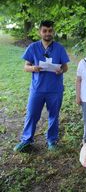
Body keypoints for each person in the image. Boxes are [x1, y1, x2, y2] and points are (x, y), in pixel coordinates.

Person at [13, 20, 70, 152]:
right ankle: (26, 140)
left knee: (54, 115)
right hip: (37, 89)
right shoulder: (33, 47)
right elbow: (25, 67)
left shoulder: (59, 48)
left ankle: (52, 140)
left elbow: (65, 67)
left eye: (50, 31)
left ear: (53, 32)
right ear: (40, 32)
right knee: (32, 114)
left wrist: (61, 70)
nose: (47, 33)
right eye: (45, 31)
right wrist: (33, 68)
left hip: (55, 89)